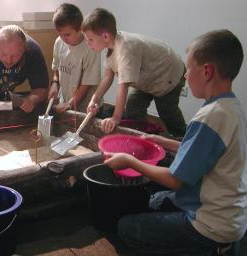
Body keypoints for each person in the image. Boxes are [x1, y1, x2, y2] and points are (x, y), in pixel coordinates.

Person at [104, 29, 246, 255]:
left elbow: (175, 180)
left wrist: (130, 160)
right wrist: (159, 139)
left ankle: (208, 250)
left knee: (126, 228)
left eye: (189, 69)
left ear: (207, 71)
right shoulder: (232, 108)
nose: (186, 76)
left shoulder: (210, 117)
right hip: (233, 216)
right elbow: (200, 153)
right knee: (154, 201)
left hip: (210, 225)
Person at [82, 8, 187, 137]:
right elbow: (107, 78)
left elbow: (123, 86)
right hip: (149, 78)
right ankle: (142, 135)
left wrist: (115, 118)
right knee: (133, 105)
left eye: (90, 39)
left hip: (168, 75)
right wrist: (94, 99)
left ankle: (183, 139)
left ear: (105, 36)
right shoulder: (110, 47)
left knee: (167, 112)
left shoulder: (126, 48)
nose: (87, 43)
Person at [48, 3, 101, 114]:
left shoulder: (91, 47)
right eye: (59, 33)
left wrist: (70, 103)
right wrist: (54, 83)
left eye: (67, 34)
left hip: (86, 108)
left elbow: (86, 84)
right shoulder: (59, 42)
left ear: (80, 28)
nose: (62, 38)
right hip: (66, 103)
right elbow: (56, 68)